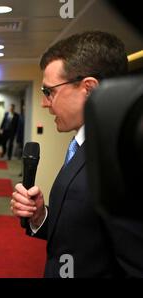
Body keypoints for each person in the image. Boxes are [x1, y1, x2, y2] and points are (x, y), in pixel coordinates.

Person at [10, 31, 138, 277]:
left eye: (50, 92)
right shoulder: (83, 143)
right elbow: (84, 236)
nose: (44, 103)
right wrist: (40, 216)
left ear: (89, 89)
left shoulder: (126, 158)